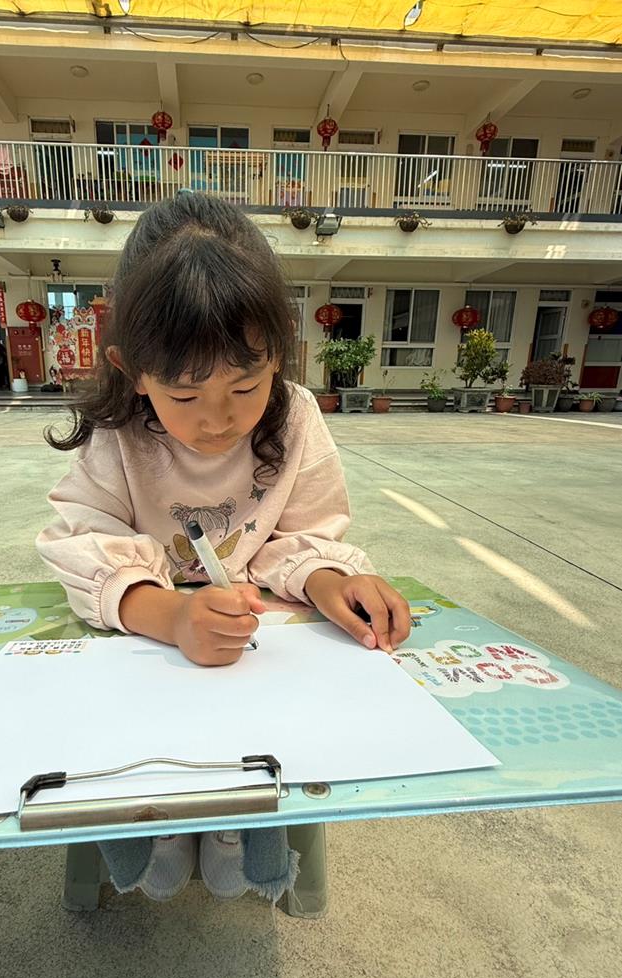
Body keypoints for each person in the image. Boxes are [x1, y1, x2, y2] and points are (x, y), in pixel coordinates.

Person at [36, 192, 412, 905]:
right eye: (184, 396)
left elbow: (304, 530)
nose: (218, 420)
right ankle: (157, 823)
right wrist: (171, 617)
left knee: (273, 713)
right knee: (134, 730)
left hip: (253, 638)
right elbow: (83, 540)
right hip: (144, 634)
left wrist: (330, 579)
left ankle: (239, 824)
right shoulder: (120, 433)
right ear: (131, 368)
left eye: (246, 384)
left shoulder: (295, 417)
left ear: (279, 355)